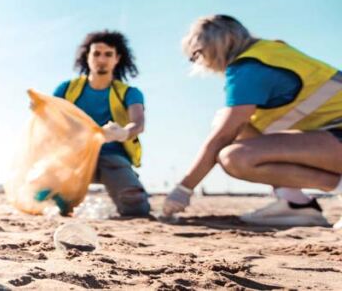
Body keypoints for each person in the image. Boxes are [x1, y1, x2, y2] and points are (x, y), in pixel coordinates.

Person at [164, 15, 342, 227]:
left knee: (235, 157)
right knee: (236, 123)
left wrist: (184, 188)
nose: (200, 63)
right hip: (332, 135)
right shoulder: (272, 51)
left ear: (212, 47)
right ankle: (294, 202)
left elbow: (223, 136)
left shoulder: (247, 69)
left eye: (196, 56)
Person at [53, 31, 151, 217]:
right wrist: (41, 109)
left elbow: (138, 123)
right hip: (73, 158)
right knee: (47, 201)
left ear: (117, 58)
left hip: (112, 156)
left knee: (137, 208)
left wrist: (122, 133)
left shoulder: (129, 92)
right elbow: (51, 120)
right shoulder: (65, 89)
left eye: (108, 54)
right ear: (87, 57)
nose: (101, 59)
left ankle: (127, 186)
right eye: (96, 53)